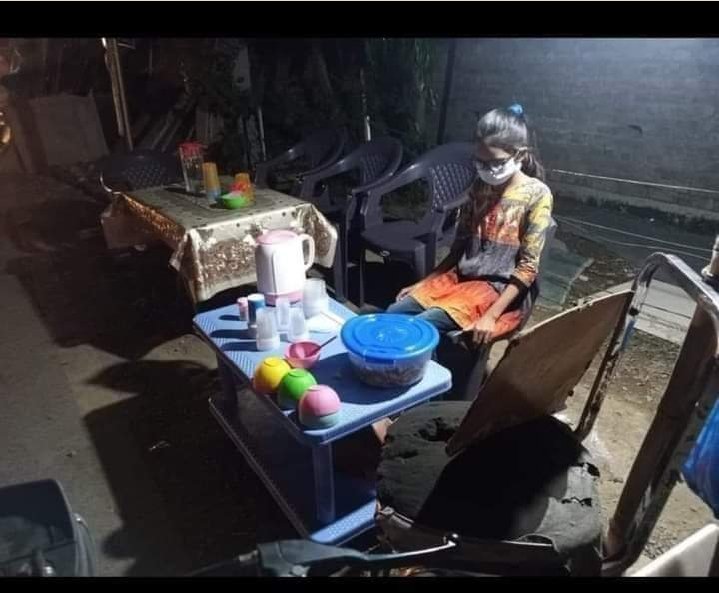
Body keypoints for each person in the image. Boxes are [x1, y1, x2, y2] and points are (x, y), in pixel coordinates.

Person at [388, 104, 554, 345]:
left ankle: (427, 379)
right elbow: (459, 248)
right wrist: (423, 283)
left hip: (495, 287)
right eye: (480, 162)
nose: (486, 170)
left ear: (519, 154)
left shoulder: (537, 194)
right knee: (394, 312)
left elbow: (528, 269)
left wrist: (491, 316)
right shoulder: (480, 186)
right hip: (459, 277)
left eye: (494, 163)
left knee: (420, 330)